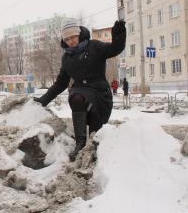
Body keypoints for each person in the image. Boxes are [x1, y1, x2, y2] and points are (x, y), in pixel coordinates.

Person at [34, 20, 126, 161]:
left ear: (79, 34)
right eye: (67, 39)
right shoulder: (67, 58)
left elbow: (115, 49)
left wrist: (119, 33)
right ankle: (80, 143)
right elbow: (61, 83)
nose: (71, 41)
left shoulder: (94, 46)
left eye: (73, 37)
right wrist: (43, 100)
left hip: (99, 91)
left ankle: (94, 148)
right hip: (80, 90)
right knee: (76, 97)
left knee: (96, 128)